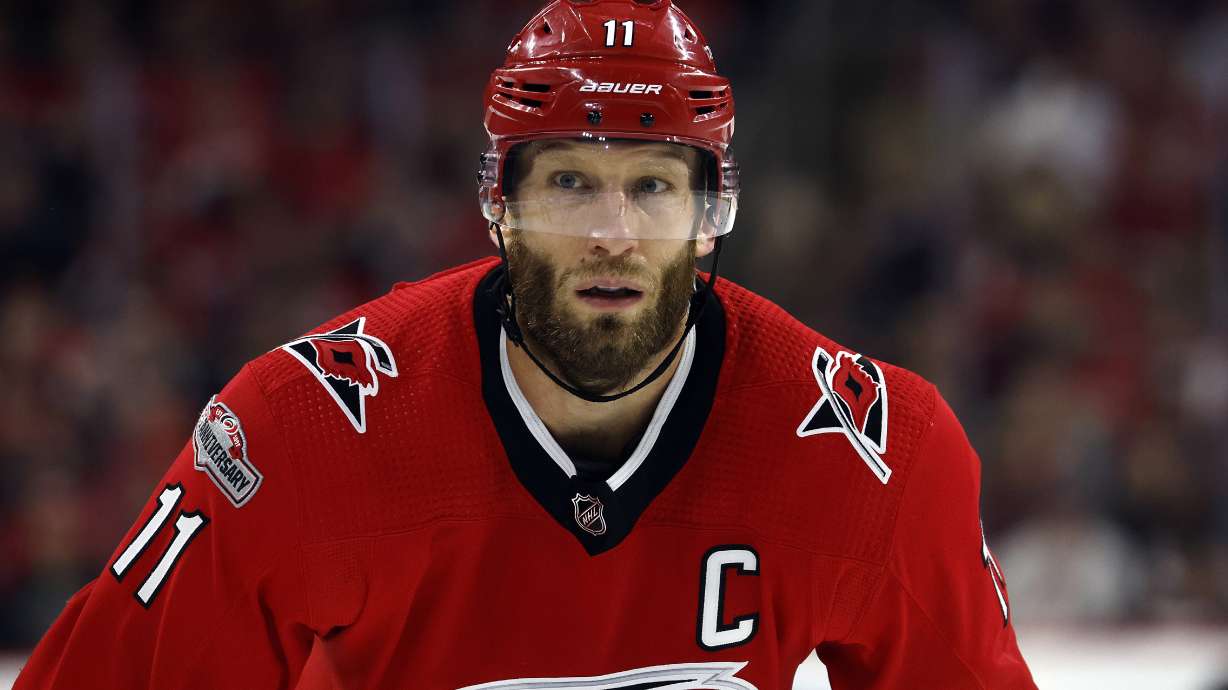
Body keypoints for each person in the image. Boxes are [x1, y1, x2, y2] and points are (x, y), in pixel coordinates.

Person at [16, 1, 1037, 688]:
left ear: (710, 214)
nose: (612, 232)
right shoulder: (301, 430)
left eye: (651, 186)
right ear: (496, 207)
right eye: (569, 183)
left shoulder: (874, 450)